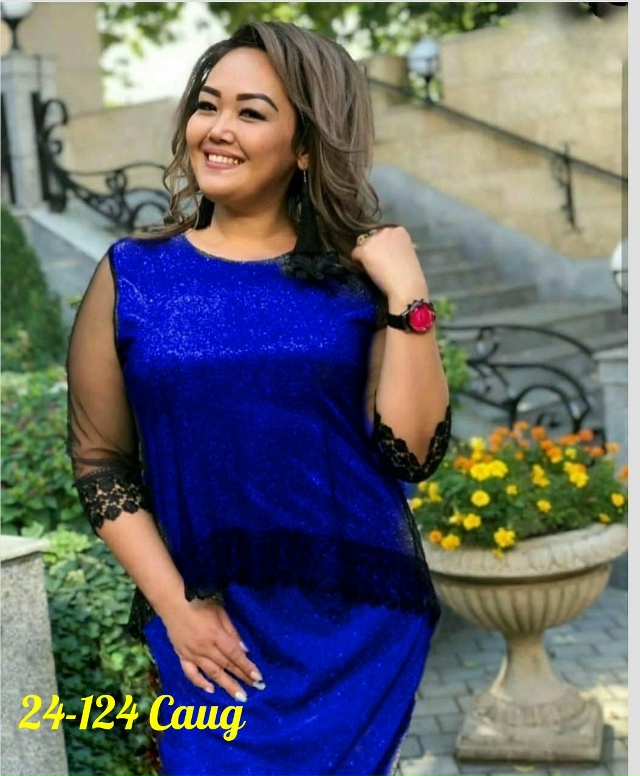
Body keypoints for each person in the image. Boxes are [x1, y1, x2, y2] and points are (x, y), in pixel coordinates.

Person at [65, 20, 451, 776]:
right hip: (210, 636)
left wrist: (409, 293)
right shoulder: (133, 274)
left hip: (357, 630)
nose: (217, 128)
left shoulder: (354, 280)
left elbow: (412, 453)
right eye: (208, 105)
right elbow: (100, 461)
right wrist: (177, 607)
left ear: (305, 146)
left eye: (251, 112)